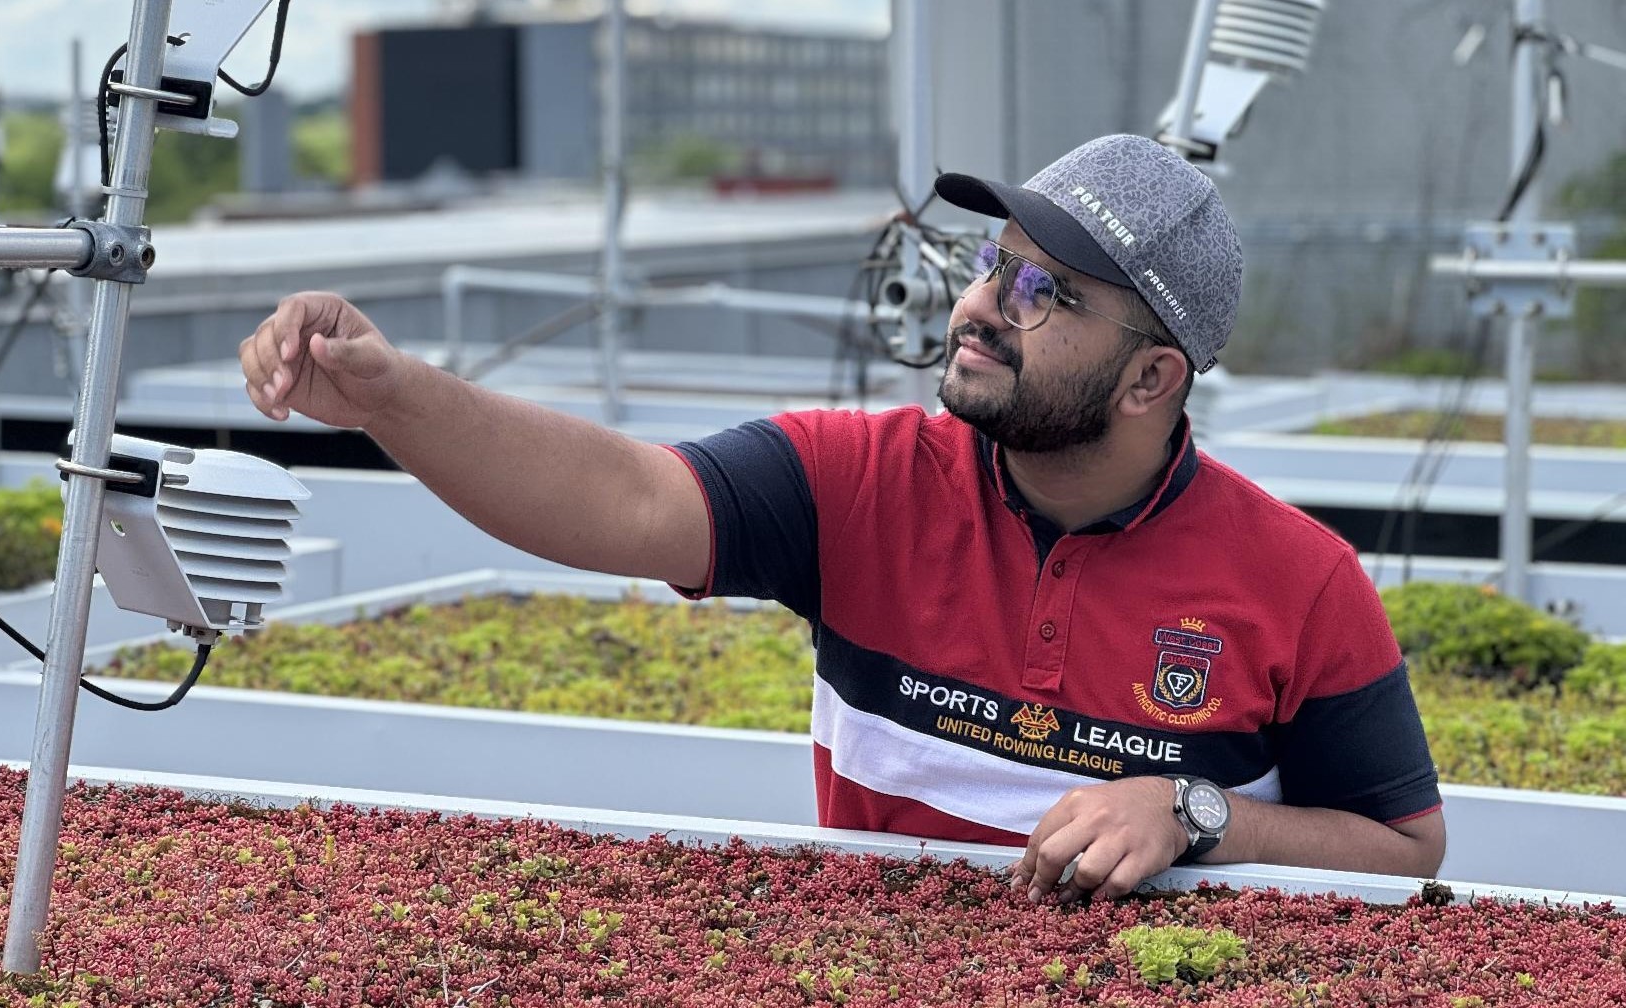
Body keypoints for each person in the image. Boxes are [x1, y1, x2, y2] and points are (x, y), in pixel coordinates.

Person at [238, 134, 1445, 904]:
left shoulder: (1304, 579)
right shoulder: (853, 479)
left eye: (1045, 294)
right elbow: (625, 498)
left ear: (1151, 381)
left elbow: (1408, 850)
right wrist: (398, 399)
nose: (980, 305)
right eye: (991, 260)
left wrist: (1195, 814)